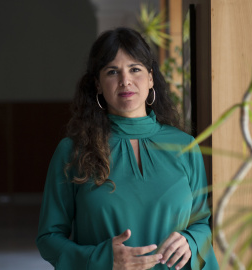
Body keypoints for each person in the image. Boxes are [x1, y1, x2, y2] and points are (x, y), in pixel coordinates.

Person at [36, 27, 219, 270]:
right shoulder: (72, 151)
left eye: (135, 69)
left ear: (151, 77)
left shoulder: (185, 146)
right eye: (112, 71)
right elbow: (49, 239)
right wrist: (100, 259)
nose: (125, 81)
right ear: (98, 85)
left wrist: (191, 241)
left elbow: (203, 224)